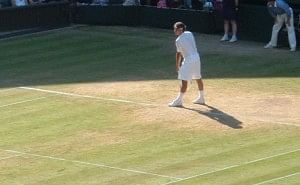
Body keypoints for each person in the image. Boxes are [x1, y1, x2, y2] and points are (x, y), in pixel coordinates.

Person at [169, 22, 205, 107]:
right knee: (198, 77)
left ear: (180, 30)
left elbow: (179, 54)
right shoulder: (189, 33)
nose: (174, 31)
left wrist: (177, 66)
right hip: (196, 57)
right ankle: (201, 98)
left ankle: (179, 101)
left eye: (176, 29)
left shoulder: (178, 40)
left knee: (184, 80)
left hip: (189, 60)